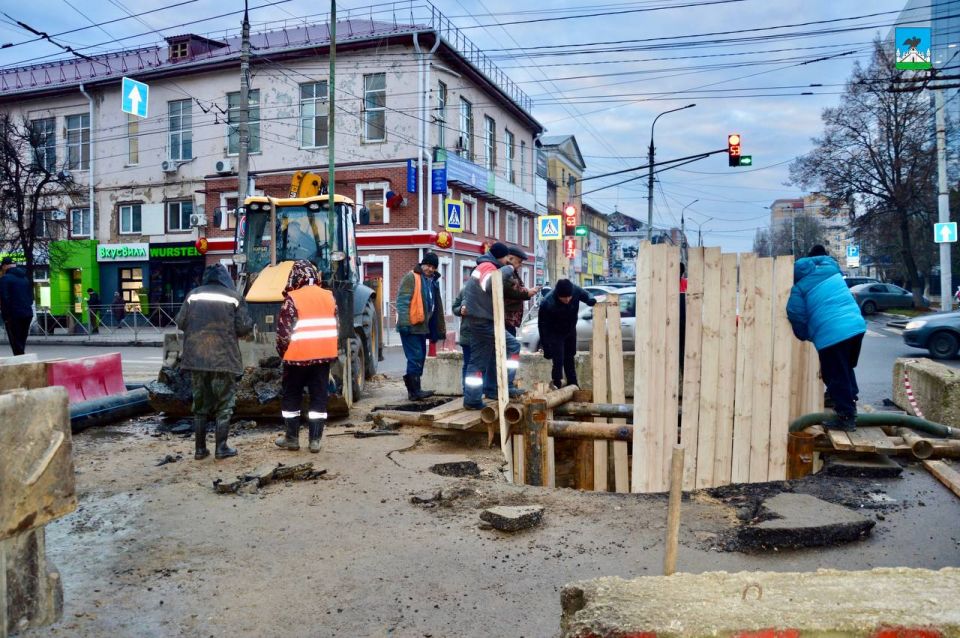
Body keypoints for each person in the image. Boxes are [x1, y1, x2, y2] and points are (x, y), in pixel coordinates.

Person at [175, 264, 253, 460]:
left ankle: (200, 450)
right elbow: (243, 327)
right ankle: (221, 448)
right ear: (226, 278)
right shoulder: (234, 297)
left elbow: (180, 322)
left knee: (200, 406)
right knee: (224, 405)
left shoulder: (194, 294)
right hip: (223, 360)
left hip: (197, 359)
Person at [786, 245, 867, 432]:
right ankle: (848, 397)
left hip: (832, 334)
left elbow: (796, 315)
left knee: (834, 374)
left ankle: (846, 417)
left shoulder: (799, 287)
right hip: (857, 327)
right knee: (845, 367)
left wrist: (805, 334)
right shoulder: (833, 271)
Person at [274, 260, 338, 453]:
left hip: (296, 358)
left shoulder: (292, 298)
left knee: (292, 396)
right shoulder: (329, 296)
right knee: (318, 397)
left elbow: (283, 334)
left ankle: (292, 438)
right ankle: (315, 441)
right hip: (323, 358)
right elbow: (337, 327)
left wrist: (283, 354)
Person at [462, 242, 523, 410]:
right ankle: (507, 386)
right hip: (484, 322)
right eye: (507, 259)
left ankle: (474, 399)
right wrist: (508, 269)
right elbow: (490, 285)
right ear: (502, 257)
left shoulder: (483, 266)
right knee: (513, 346)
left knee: (478, 361)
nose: (508, 262)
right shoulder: (488, 267)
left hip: (478, 320)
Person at [395, 252, 446, 401]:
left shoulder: (431, 281)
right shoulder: (411, 277)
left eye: (433, 267)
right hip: (410, 326)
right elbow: (402, 301)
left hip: (422, 327)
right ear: (422, 264)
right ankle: (414, 392)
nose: (430, 269)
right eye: (428, 265)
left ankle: (415, 390)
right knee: (415, 357)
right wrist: (404, 323)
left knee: (420, 357)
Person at [537, 278, 596, 390]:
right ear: (558, 295)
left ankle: (573, 384)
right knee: (558, 360)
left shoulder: (575, 290)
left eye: (569, 297)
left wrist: (591, 299)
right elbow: (542, 326)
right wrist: (546, 347)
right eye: (564, 298)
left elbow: (587, 294)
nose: (568, 299)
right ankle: (556, 384)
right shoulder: (547, 302)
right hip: (555, 333)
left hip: (570, 330)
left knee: (570, 357)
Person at [0, 257, 34, 356]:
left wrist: (6, 316)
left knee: (16, 343)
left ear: (5, 266)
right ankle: (22, 361)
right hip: (27, 313)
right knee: (21, 342)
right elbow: (30, 297)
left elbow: (5, 298)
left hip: (14, 315)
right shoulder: (24, 278)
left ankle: (21, 365)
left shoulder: (5, 279)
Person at [503, 247, 539, 336]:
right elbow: (511, 288)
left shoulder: (511, 271)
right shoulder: (507, 270)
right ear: (510, 258)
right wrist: (528, 293)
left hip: (509, 318)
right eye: (519, 261)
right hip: (506, 318)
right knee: (512, 346)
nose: (520, 265)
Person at [451, 283, 471, 391]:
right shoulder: (465, 290)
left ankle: (480, 390)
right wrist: (460, 310)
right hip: (467, 333)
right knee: (468, 363)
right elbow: (455, 307)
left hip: (483, 334)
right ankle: (467, 390)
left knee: (482, 365)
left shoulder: (487, 290)